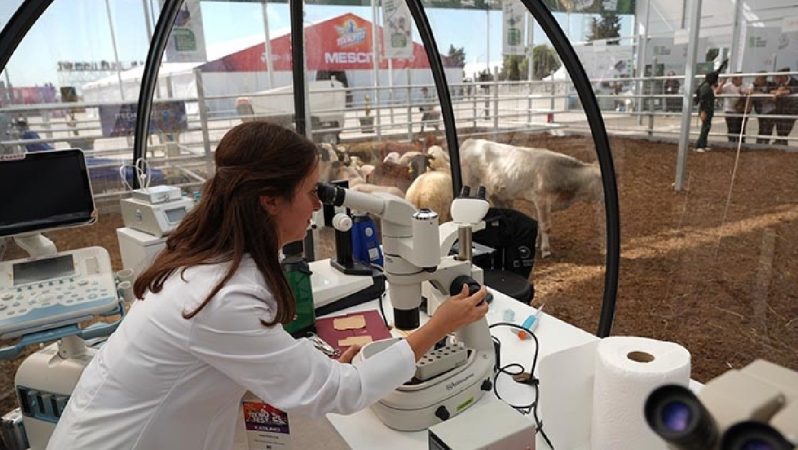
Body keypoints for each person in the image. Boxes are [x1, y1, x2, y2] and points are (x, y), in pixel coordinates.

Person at [47, 122, 489, 450]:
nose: (318, 205)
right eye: (310, 191)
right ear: (269, 201)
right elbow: (340, 392)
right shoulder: (219, 296)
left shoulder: (209, 259)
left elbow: (247, 350)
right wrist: (437, 328)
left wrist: (318, 361)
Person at [694, 71, 722, 152]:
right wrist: (703, 111)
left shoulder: (706, 86)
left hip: (707, 109)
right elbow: (703, 100)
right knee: (705, 128)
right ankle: (699, 145)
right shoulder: (706, 88)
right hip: (705, 110)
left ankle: (703, 144)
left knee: (706, 127)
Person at [718, 74, 751, 143]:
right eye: (738, 78)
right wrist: (723, 82)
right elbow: (718, 92)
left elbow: (750, 92)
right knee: (731, 128)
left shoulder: (746, 85)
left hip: (741, 109)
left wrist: (744, 93)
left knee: (741, 128)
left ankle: (741, 142)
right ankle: (731, 142)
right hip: (729, 109)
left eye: (741, 78)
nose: (740, 80)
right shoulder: (728, 86)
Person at [771, 67, 798, 146]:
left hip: (791, 109)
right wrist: (778, 91)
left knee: (788, 125)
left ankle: (783, 140)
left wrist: (781, 92)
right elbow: (771, 90)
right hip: (780, 108)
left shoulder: (794, 82)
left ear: (785, 76)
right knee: (779, 124)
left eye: (779, 77)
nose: (777, 79)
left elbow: (792, 90)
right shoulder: (778, 83)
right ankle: (780, 140)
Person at [751, 71, 777, 144]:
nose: (756, 80)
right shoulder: (754, 86)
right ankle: (759, 143)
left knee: (768, 129)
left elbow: (772, 96)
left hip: (771, 110)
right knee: (762, 128)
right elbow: (750, 92)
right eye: (756, 78)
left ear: (764, 79)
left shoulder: (772, 85)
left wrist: (764, 95)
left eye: (758, 78)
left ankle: (765, 143)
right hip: (761, 110)